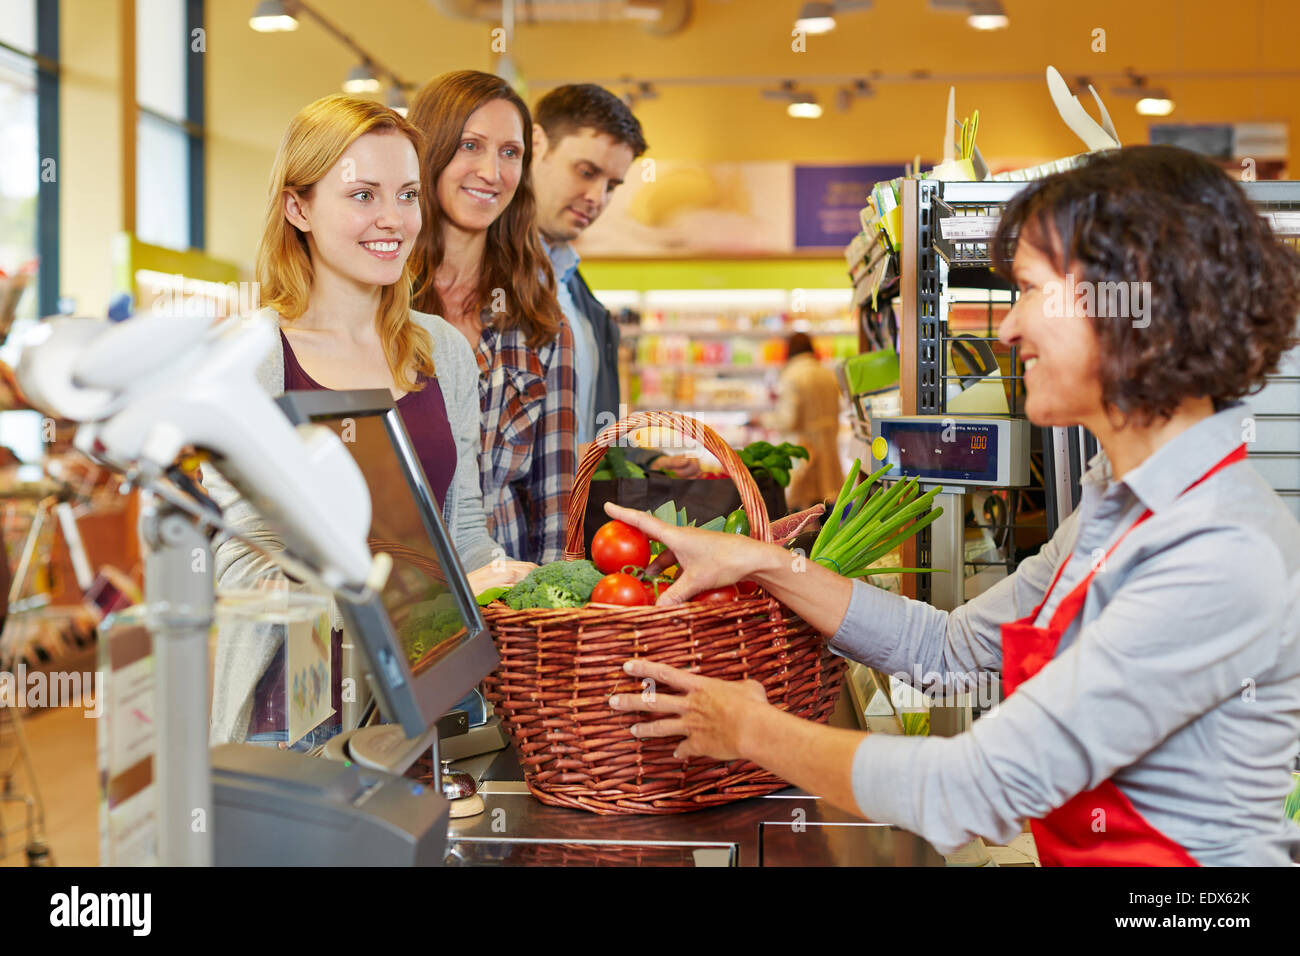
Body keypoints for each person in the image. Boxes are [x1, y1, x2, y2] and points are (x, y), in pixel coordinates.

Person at [605, 145, 1300, 865]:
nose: (1007, 328)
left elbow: (977, 788)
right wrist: (767, 563)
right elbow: (950, 649)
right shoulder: (1116, 503)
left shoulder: (1216, 546)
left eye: (1030, 290)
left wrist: (752, 730)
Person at [206, 94, 531, 746]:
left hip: (432, 696)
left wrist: (516, 584)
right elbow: (240, 566)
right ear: (298, 207)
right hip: (294, 709)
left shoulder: (443, 352)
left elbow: (463, 530)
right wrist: (423, 596)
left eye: (408, 195)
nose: (392, 219)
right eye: (362, 195)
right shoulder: (252, 356)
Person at [408, 71, 576, 564]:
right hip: (395, 583)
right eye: (469, 145)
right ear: (429, 152)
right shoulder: (381, 305)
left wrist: (550, 615)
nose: (491, 172)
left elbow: (555, 499)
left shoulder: (540, 322)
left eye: (510, 153)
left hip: (503, 595)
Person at [531, 83, 699, 476]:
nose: (597, 197)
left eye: (611, 185)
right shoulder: (482, 276)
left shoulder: (578, 293)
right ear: (537, 145)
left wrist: (646, 460)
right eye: (586, 172)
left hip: (572, 524)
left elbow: (593, 428)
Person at [760, 331, 845, 511]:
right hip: (829, 449)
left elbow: (787, 420)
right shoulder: (826, 373)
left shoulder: (792, 375)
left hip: (803, 452)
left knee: (803, 511)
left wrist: (763, 420)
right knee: (825, 507)